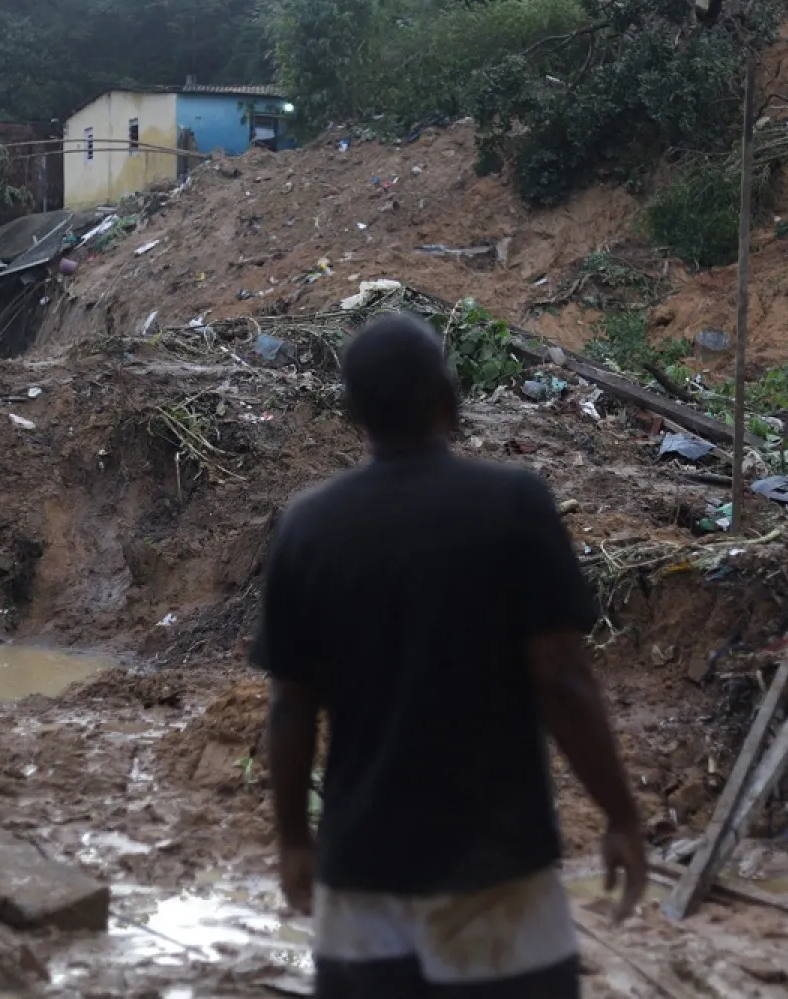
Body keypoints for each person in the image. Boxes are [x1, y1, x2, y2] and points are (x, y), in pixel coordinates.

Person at [252, 311, 647, 998]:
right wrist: (620, 814)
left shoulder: (308, 527)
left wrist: (293, 840)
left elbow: (290, 709)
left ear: (351, 412)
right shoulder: (514, 505)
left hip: (361, 883)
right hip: (499, 879)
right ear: (448, 394)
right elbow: (563, 679)